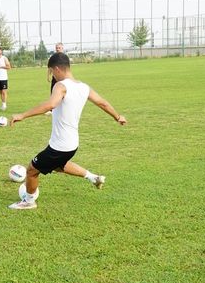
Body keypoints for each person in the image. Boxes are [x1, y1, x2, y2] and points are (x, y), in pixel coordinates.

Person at [8, 52, 127, 210]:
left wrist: (22, 115)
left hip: (60, 145)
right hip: (72, 144)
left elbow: (50, 104)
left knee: (31, 170)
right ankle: (93, 177)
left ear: (57, 68)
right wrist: (118, 117)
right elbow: (103, 103)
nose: (52, 76)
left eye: (51, 72)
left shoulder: (61, 86)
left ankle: (28, 201)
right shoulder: (84, 87)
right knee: (58, 166)